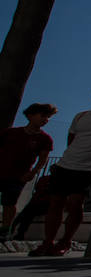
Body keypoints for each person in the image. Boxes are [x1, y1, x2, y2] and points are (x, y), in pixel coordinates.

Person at [31, 83, 91, 257]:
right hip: (67, 164)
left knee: (75, 203)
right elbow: (72, 138)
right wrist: (67, 158)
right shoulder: (81, 116)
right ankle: (48, 241)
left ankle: (65, 240)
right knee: (56, 203)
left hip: (89, 167)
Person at [0, 102, 55, 241]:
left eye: (48, 117)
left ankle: (5, 230)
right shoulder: (10, 133)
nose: (45, 120)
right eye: (42, 116)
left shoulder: (45, 139)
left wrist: (33, 172)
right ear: (30, 115)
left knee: (9, 203)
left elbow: (43, 159)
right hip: (1, 170)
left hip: (19, 176)